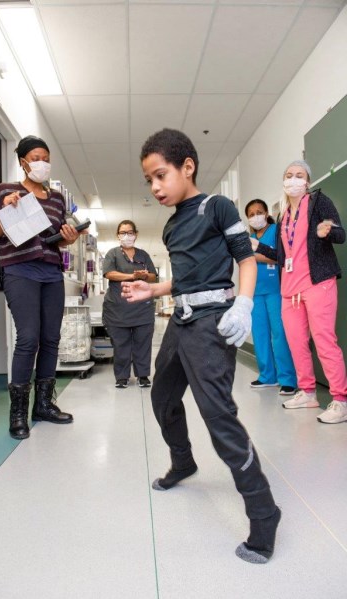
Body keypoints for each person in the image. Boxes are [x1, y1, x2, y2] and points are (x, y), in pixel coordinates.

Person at [121, 129, 281, 564]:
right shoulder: (173, 225)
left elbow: (244, 259)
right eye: (148, 180)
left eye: (160, 176)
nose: (154, 187)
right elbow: (184, 279)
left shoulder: (218, 207)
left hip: (213, 322)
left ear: (187, 166)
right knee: (162, 396)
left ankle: (264, 513)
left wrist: (244, 305)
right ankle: (184, 461)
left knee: (217, 416)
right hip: (182, 320)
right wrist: (152, 291)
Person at [0, 135, 86, 440]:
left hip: (51, 272)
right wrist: (7, 209)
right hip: (19, 270)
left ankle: (43, 404)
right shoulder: (7, 190)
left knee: (50, 338)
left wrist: (70, 237)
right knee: (28, 338)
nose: (42, 163)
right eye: (36, 157)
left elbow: (58, 237)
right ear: (23, 162)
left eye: (46, 157)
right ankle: (18, 412)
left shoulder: (56, 198)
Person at [255, 160, 347, 424]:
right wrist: (258, 246)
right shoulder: (283, 217)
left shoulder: (319, 202)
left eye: (299, 175)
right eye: (288, 175)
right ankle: (307, 392)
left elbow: (340, 234)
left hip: (318, 283)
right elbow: (284, 256)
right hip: (290, 289)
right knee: (295, 342)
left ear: (307, 181)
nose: (293, 179)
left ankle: (340, 400)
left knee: (324, 341)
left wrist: (326, 230)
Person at [246, 199, 297, 395]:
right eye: (251, 214)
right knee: (259, 335)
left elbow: (279, 256)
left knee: (279, 334)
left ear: (266, 212)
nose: (255, 216)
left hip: (276, 289)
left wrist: (255, 256)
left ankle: (288, 379)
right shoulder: (249, 236)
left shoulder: (276, 230)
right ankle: (267, 376)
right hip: (255, 291)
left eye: (259, 212)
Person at [103, 220, 157, 388]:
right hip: (117, 309)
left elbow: (153, 276)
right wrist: (132, 276)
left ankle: (142, 375)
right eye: (122, 233)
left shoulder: (143, 255)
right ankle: (122, 377)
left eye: (130, 232)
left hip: (142, 309)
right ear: (118, 235)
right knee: (121, 345)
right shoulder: (112, 254)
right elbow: (109, 274)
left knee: (143, 343)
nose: (126, 236)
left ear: (136, 234)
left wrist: (145, 276)